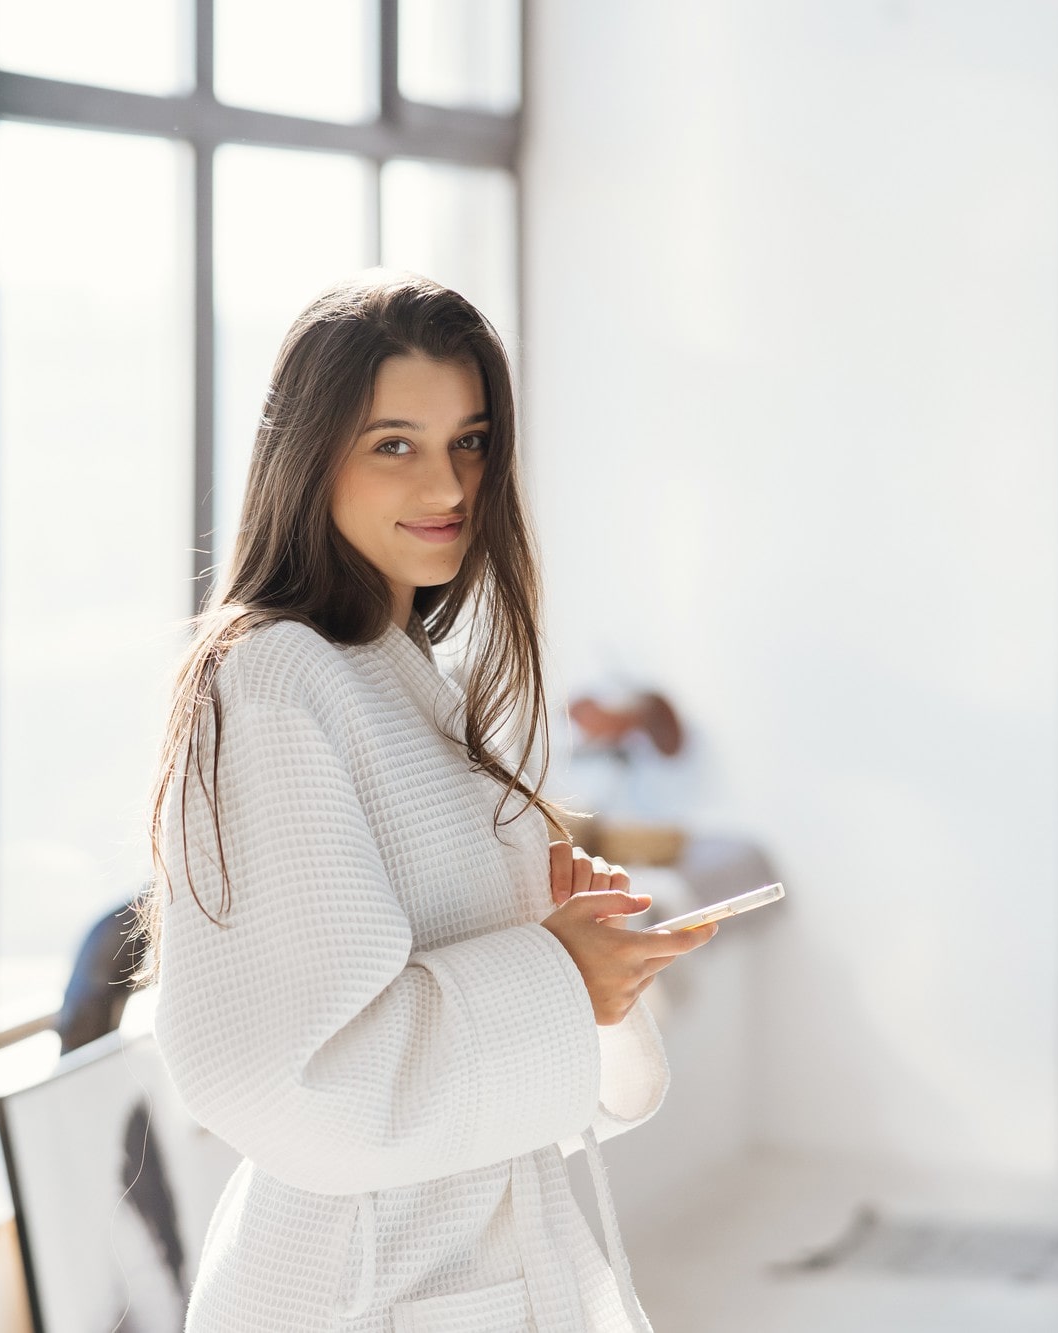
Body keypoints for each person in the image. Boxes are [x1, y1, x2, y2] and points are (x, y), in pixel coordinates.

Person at [142, 269, 718, 1332]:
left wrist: (570, 956)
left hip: (467, 1265)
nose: (449, 484)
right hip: (357, 1287)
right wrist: (553, 974)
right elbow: (282, 1069)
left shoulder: (401, 674)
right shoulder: (273, 682)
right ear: (310, 456)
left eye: (470, 439)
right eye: (394, 444)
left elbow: (482, 1027)